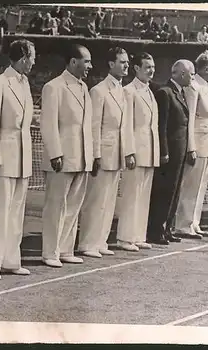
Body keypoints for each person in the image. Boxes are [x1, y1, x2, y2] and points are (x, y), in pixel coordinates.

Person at [0, 40, 36, 281]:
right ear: (24, 56)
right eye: (32, 57)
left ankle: (10, 260)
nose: (34, 62)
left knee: (16, 212)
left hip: (22, 157)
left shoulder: (25, 84)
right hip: (4, 156)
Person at [77, 47, 135, 258]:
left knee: (109, 201)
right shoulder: (99, 91)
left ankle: (100, 241)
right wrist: (96, 155)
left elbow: (125, 126)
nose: (126, 65)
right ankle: (87, 243)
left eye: (127, 62)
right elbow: (94, 126)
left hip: (117, 154)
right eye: (122, 62)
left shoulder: (123, 91)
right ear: (111, 64)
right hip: (103, 153)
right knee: (96, 200)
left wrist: (129, 151)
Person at [40, 44, 94, 268]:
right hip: (62, 157)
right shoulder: (54, 87)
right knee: (56, 206)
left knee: (73, 206)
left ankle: (65, 249)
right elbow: (48, 123)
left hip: (81, 157)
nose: (90, 66)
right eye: (86, 61)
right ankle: (49, 252)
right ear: (73, 62)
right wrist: (55, 153)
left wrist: (89, 156)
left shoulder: (84, 88)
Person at [146, 59, 196, 245]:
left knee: (174, 192)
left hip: (179, 152)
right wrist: (164, 151)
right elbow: (162, 126)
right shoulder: (165, 93)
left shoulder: (180, 93)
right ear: (182, 74)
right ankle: (156, 230)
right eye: (191, 73)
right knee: (164, 192)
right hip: (170, 154)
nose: (193, 77)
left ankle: (167, 228)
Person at [116, 52, 159, 251]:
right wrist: (129, 151)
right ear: (136, 69)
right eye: (147, 67)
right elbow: (126, 125)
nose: (151, 70)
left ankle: (138, 235)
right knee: (132, 195)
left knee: (144, 196)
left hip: (150, 151)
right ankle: (125, 238)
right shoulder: (129, 91)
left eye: (153, 67)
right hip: (136, 151)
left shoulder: (150, 91)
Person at [174, 50, 208, 239]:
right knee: (191, 186)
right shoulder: (194, 86)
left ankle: (194, 223)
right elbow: (190, 118)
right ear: (206, 69)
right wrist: (191, 147)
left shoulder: (206, 86)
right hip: (198, 144)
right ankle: (183, 225)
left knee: (201, 187)